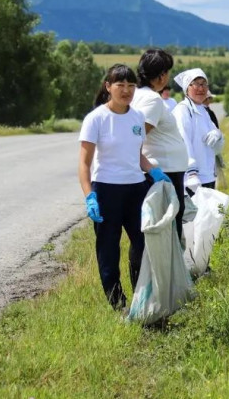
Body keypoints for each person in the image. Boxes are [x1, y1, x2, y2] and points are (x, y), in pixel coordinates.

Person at [78, 64, 172, 310]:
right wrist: (90, 196)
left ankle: (143, 298)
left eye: (131, 85)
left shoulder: (137, 117)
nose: (126, 90)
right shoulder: (96, 118)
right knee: (109, 250)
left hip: (136, 190)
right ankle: (118, 304)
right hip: (107, 190)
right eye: (120, 85)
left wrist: (153, 170)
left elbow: (137, 155)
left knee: (143, 245)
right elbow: (84, 164)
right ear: (108, 87)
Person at [131, 49, 188, 229]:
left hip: (162, 170)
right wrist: (149, 168)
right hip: (164, 173)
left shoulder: (138, 95)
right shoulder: (152, 100)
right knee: (168, 232)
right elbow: (135, 138)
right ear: (162, 75)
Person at [174, 68, 222, 193]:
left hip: (207, 175)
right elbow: (183, 142)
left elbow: (217, 144)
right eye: (196, 84)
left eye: (204, 84)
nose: (201, 88)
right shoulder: (183, 111)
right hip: (192, 180)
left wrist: (218, 135)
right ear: (186, 88)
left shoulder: (203, 110)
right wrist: (191, 173)